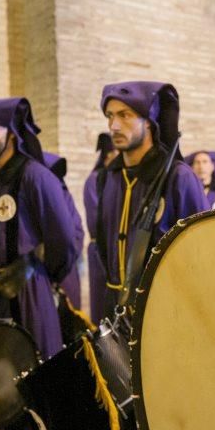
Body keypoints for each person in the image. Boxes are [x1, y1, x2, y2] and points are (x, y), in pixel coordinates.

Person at [97, 81, 209, 430]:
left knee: (165, 423)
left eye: (125, 115)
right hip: (118, 316)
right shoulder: (109, 178)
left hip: (167, 323)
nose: (115, 124)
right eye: (111, 115)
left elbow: (199, 256)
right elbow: (102, 247)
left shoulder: (178, 178)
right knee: (124, 419)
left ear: (149, 121)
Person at [0, 97, 79, 430]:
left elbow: (63, 239)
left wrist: (45, 280)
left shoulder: (35, 176)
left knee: (30, 386)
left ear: (11, 132)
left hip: (28, 295)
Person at [42, 150, 85, 310]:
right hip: (44, 275)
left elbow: (77, 230)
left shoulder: (63, 193)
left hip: (66, 270)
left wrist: (62, 259)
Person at [83, 133, 118, 324]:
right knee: (102, 306)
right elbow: (98, 220)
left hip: (118, 250)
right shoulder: (94, 180)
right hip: (101, 250)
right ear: (108, 155)